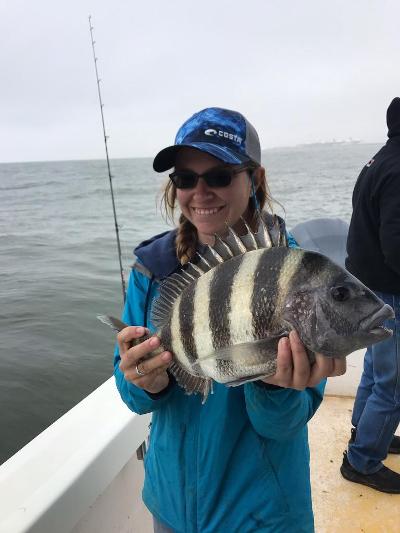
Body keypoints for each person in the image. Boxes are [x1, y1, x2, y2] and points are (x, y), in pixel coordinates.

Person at [113, 107, 346, 533]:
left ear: (254, 179)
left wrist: (274, 386)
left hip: (263, 516)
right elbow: (132, 394)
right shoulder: (153, 269)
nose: (200, 191)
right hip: (170, 505)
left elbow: (284, 424)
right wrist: (147, 382)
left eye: (219, 175)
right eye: (185, 178)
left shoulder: (297, 276)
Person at [341, 97, 400, 493]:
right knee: (394, 385)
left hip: (369, 284)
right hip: (391, 289)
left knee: (377, 370)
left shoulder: (379, 160)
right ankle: (362, 461)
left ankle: (364, 432)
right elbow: (396, 244)